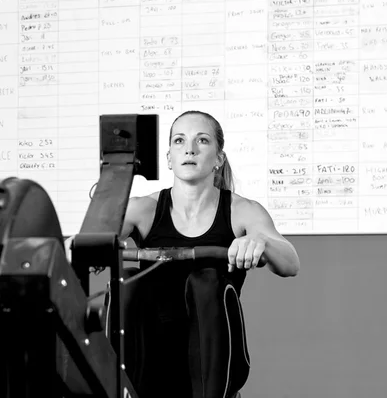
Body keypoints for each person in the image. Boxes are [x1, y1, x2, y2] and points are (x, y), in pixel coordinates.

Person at [116, 110, 300, 398]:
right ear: (168, 158)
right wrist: (84, 242)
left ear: (218, 158)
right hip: (150, 362)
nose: (189, 149)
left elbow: (290, 263)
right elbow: (89, 242)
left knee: (206, 281)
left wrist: (259, 241)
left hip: (217, 363)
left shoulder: (241, 210)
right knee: (126, 282)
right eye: (179, 141)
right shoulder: (143, 209)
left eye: (202, 140)